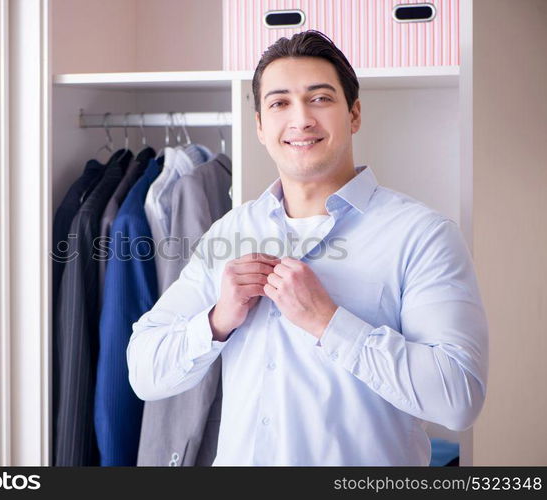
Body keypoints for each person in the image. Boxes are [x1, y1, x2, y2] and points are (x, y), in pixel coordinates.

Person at [126, 30, 488, 466]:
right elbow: (144, 372)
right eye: (279, 103)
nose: (301, 119)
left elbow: (458, 400)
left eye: (319, 99)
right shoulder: (230, 233)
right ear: (260, 126)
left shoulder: (423, 236)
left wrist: (328, 322)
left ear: (354, 114)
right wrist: (218, 320)